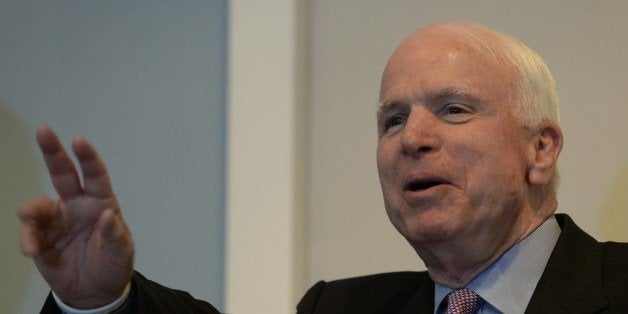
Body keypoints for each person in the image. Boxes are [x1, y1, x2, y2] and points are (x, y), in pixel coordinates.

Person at [18, 22, 628, 313]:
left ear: (541, 149)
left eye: (453, 109)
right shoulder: (337, 310)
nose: (412, 138)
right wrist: (101, 301)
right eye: (391, 120)